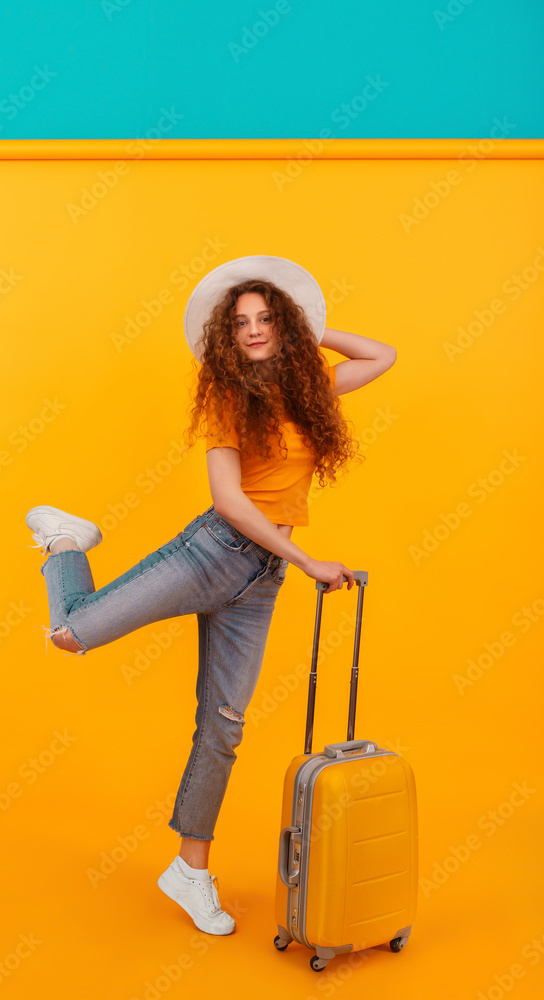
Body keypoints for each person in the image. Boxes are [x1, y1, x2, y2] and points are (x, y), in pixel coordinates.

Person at [25, 255, 396, 937]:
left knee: (222, 728)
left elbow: (383, 354)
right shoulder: (229, 399)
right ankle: (66, 545)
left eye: (266, 318)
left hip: (258, 582)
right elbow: (229, 502)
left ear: (282, 325)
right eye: (242, 322)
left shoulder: (310, 395)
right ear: (227, 338)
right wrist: (307, 558)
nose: (255, 331)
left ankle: (190, 872)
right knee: (69, 636)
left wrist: (311, 327)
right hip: (210, 555)